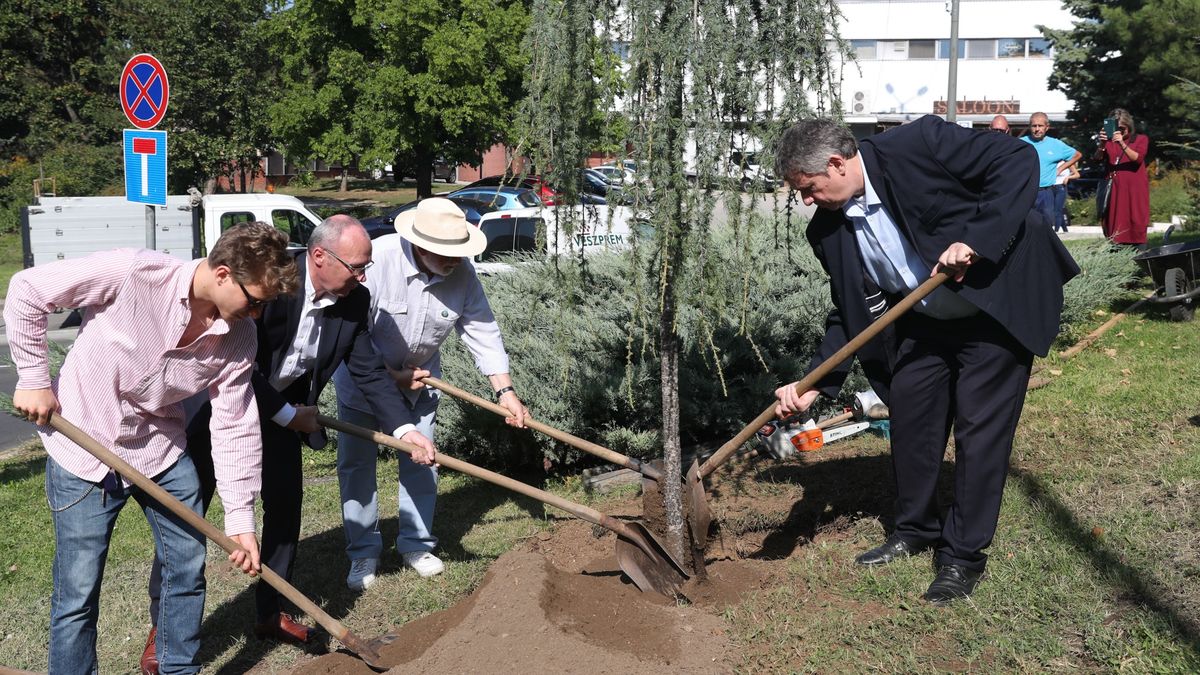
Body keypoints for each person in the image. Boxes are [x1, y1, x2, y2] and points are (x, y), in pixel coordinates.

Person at [772, 116, 1079, 604]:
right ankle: (915, 530)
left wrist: (974, 239)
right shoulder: (828, 231)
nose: (807, 200)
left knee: (979, 431)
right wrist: (814, 384)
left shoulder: (919, 143)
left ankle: (962, 558)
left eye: (808, 188)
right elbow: (850, 312)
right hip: (927, 321)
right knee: (912, 415)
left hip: (994, 305)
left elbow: (1015, 160)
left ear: (836, 163)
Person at [144, 215, 437, 666]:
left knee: (285, 507)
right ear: (319, 256)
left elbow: (369, 371)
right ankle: (164, 631)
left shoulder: (354, 300)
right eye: (357, 266)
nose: (363, 277)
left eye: (366, 268)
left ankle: (271, 611)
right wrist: (289, 416)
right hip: (215, 408)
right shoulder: (272, 285)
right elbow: (239, 366)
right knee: (186, 518)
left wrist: (405, 430)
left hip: (285, 413)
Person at [5, 223, 297, 674]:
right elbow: (27, 290)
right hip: (82, 449)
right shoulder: (133, 273)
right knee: (78, 593)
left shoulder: (239, 339)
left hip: (160, 450)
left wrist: (240, 518)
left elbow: (235, 426)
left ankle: (177, 667)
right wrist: (34, 379)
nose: (257, 314)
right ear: (222, 274)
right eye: (254, 301)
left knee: (186, 565)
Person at [333, 198, 528, 590]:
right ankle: (363, 553)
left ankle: (416, 544)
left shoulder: (462, 274)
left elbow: (481, 330)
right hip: (363, 385)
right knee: (357, 468)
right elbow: (353, 336)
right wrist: (392, 376)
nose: (457, 260)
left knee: (424, 461)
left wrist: (504, 390)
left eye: (461, 252)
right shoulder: (379, 263)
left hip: (421, 384)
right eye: (449, 253)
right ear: (421, 246)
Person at [1096, 108, 1150, 246]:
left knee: (1136, 219)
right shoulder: (1108, 142)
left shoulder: (1140, 139)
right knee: (1114, 221)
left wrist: (1121, 143)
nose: (1119, 131)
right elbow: (1096, 159)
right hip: (1114, 189)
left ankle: (1139, 253)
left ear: (1129, 126)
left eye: (1122, 128)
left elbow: (1137, 159)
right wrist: (1101, 144)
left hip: (1135, 190)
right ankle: (1115, 253)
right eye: (1116, 128)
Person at [1021, 112, 1081, 232]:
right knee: (1026, 228)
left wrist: (1061, 168)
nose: (1037, 129)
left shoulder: (1055, 144)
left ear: (1047, 127)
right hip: (1026, 192)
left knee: (1046, 228)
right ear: (1029, 127)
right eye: (1034, 126)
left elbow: (1077, 155)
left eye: (1040, 126)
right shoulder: (1021, 142)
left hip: (1047, 192)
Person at [1052, 162, 1081, 233]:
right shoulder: (1052, 162)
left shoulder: (1067, 163)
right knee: (1057, 209)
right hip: (1051, 187)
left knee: (1057, 210)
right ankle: (1065, 229)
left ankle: (1056, 231)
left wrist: (1068, 177)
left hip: (1061, 187)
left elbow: (1077, 175)